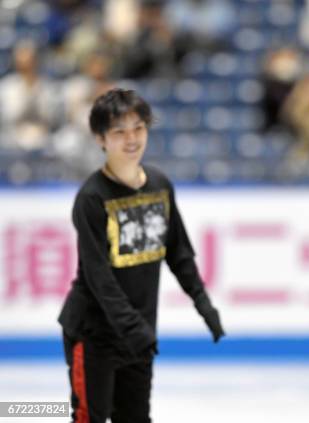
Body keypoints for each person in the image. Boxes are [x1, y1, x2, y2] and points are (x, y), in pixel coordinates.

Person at [58, 88, 225, 423]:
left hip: (139, 332)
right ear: (101, 138)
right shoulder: (92, 198)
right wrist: (134, 329)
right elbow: (98, 276)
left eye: (138, 128)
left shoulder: (159, 185)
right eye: (119, 131)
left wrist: (204, 305)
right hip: (95, 334)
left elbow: (178, 253)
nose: (131, 139)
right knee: (89, 416)